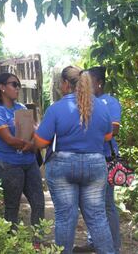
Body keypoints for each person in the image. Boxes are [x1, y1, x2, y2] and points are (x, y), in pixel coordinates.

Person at [34, 66, 115, 254]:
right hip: (95, 164)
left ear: (64, 84)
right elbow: (108, 136)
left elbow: (40, 141)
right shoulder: (101, 107)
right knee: (97, 217)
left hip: (63, 165)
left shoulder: (57, 108)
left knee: (65, 217)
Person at [0, 72, 45, 247]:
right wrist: (31, 144)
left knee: (38, 202)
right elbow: (10, 141)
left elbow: (35, 132)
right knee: (12, 207)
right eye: (14, 84)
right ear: (2, 88)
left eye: (18, 85)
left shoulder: (20, 107)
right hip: (9, 165)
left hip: (29, 163)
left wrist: (34, 141)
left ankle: (36, 244)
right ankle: (11, 246)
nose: (17, 88)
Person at [73, 66, 122, 254]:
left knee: (107, 204)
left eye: (89, 80)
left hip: (105, 159)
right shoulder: (85, 102)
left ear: (99, 83)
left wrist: (89, 137)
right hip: (88, 159)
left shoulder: (109, 102)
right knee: (90, 204)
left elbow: (114, 129)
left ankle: (114, 246)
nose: (84, 84)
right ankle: (94, 241)